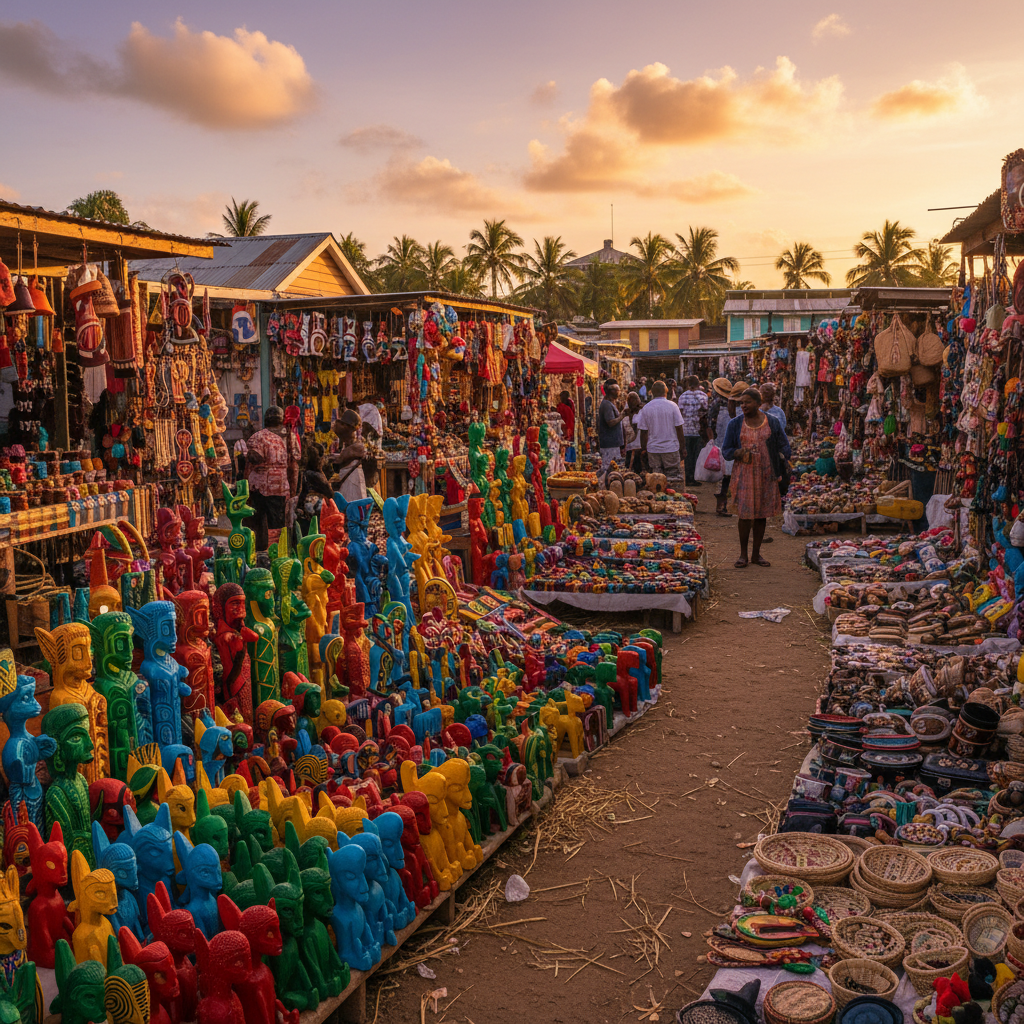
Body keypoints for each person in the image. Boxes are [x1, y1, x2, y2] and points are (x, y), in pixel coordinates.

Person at [722, 387, 791, 568]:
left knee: (761, 515)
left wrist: (782, 459)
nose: (743, 405)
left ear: (758, 404)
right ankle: (743, 554)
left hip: (766, 475)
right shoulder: (735, 424)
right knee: (744, 515)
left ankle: (756, 554)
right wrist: (739, 452)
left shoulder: (773, 422)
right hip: (744, 475)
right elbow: (726, 451)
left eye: (747, 402)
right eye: (742, 402)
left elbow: (785, 445)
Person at [244, 405, 300, 551]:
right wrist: (293, 491)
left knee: (258, 519)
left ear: (266, 420)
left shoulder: (258, 437)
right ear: (281, 420)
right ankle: (276, 551)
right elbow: (294, 466)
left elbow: (249, 465)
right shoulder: (290, 437)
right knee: (278, 521)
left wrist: (244, 488)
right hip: (280, 486)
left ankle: (259, 551)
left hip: (257, 486)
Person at [638, 381, 684, 480]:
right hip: (671, 448)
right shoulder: (673, 406)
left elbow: (643, 432)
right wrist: (683, 447)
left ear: (652, 393)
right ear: (666, 392)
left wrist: (643, 450)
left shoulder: (646, 408)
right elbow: (679, 428)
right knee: (673, 479)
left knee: (656, 481)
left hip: (653, 450)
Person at [710, 378, 738, 517]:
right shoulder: (736, 405)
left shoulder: (716, 403)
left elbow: (710, 423)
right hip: (731, 444)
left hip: (720, 441)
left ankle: (721, 506)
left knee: (722, 477)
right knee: (728, 476)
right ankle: (725, 506)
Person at [330, 408, 368, 502]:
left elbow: (342, 458)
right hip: (351, 479)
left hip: (353, 478)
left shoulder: (356, 447)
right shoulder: (350, 445)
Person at [677, 375, 709, 487]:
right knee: (697, 455)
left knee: (687, 455)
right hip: (698, 430)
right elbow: (706, 412)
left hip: (685, 430)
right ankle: (695, 477)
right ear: (698, 384)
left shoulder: (682, 397)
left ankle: (688, 477)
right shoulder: (703, 396)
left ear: (688, 384)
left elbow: (679, 414)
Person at [296, 441, 334, 530]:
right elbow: (330, 494)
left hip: (305, 513)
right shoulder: (317, 475)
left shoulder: (304, 473)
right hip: (316, 513)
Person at [598, 381, 627, 471]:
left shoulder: (610, 403)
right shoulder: (607, 405)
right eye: (617, 390)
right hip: (609, 444)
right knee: (609, 469)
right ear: (612, 392)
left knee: (613, 469)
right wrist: (622, 416)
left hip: (613, 443)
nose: (619, 393)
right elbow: (610, 422)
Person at [623, 391, 644, 472]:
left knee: (635, 469)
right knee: (632, 470)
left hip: (637, 446)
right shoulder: (628, 413)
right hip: (634, 446)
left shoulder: (642, 410)